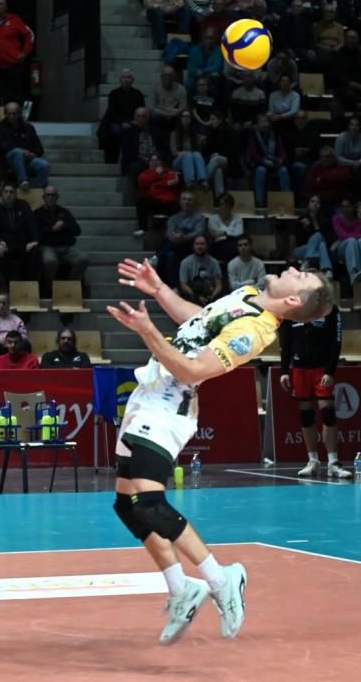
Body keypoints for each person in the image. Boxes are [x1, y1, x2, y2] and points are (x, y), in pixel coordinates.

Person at [106, 256, 331, 645]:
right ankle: (181, 590)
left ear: (294, 301)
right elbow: (201, 319)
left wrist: (147, 332)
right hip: (147, 395)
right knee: (126, 504)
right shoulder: (246, 295)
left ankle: (221, 578)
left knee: (149, 502)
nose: (292, 269)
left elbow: (193, 371)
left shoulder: (256, 331)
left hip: (169, 405)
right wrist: (159, 289)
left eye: (301, 275)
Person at [278, 303, 351, 478]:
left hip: (321, 368)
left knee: (328, 413)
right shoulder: (291, 309)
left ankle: (333, 463)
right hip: (299, 369)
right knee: (306, 416)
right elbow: (285, 342)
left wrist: (330, 370)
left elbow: (336, 340)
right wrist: (284, 371)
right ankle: (313, 461)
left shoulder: (330, 308)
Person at [0, 0, 34, 108]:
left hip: (12, 66)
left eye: (1, 4)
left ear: (6, 7)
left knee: (13, 97)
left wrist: (24, 52)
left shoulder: (15, 20)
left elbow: (29, 35)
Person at [33, 185, 88, 290]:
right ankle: (51, 288)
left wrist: (65, 226)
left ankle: (69, 286)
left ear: (57, 197)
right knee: (50, 261)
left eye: (53, 195)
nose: (51, 198)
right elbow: (36, 233)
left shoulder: (64, 212)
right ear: (43, 197)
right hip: (47, 246)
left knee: (84, 259)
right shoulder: (37, 213)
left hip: (66, 247)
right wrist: (52, 229)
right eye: (48, 195)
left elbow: (77, 230)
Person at [0, 182, 39, 282]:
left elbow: (32, 224)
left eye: (11, 192)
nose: (8, 194)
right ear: (2, 194)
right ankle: (10, 287)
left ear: (15, 194)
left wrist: (34, 240)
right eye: (6, 192)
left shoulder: (23, 205)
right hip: (5, 244)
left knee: (34, 252)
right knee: (2, 254)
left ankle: (29, 286)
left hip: (23, 243)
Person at [0, 102, 48, 189]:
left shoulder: (28, 128)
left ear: (19, 113)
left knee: (44, 165)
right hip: (8, 161)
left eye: (14, 114)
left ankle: (35, 188)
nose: (11, 116)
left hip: (27, 160)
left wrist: (33, 154)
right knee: (17, 152)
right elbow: (1, 146)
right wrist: (22, 152)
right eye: (9, 114)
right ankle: (22, 180)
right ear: (5, 114)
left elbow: (39, 149)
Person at [330, 197, 361, 283]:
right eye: (343, 207)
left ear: (354, 207)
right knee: (352, 241)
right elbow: (343, 236)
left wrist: (360, 219)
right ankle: (353, 274)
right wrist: (358, 236)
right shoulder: (336, 219)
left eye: (348, 206)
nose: (345, 209)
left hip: (357, 246)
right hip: (342, 247)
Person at [178, 233, 222, 304]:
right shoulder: (185, 262)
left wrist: (212, 297)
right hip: (193, 293)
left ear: (207, 246)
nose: (199, 247)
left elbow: (218, 285)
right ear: (193, 246)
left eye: (202, 244)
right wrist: (196, 297)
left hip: (210, 293)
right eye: (197, 244)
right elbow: (184, 285)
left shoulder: (214, 262)